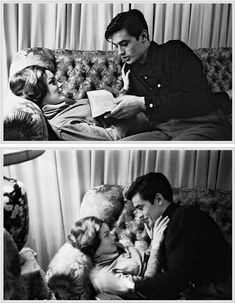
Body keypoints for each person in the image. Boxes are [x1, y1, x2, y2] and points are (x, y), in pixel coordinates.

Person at [90, 172, 232, 299]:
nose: (139, 215)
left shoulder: (181, 220)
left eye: (141, 208)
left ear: (158, 199)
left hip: (219, 289)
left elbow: (175, 280)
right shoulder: (172, 220)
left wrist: (135, 286)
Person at [104, 9, 232, 140]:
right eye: (116, 46)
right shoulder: (130, 69)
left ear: (143, 36)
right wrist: (120, 96)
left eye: (124, 44)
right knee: (122, 148)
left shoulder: (174, 51)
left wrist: (143, 103)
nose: (120, 52)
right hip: (162, 130)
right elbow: (136, 112)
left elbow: (200, 98)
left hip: (201, 124)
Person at [9, 63, 149, 140]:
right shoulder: (63, 125)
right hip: (144, 123)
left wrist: (125, 89)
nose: (59, 83)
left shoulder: (64, 105)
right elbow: (111, 138)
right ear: (38, 92)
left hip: (142, 111)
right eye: (52, 82)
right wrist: (132, 108)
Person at [68, 215, 169, 299]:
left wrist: (152, 239)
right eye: (106, 235)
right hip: (164, 282)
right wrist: (156, 246)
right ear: (94, 245)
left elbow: (144, 257)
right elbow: (148, 287)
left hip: (163, 259)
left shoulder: (115, 248)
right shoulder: (104, 277)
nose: (113, 236)